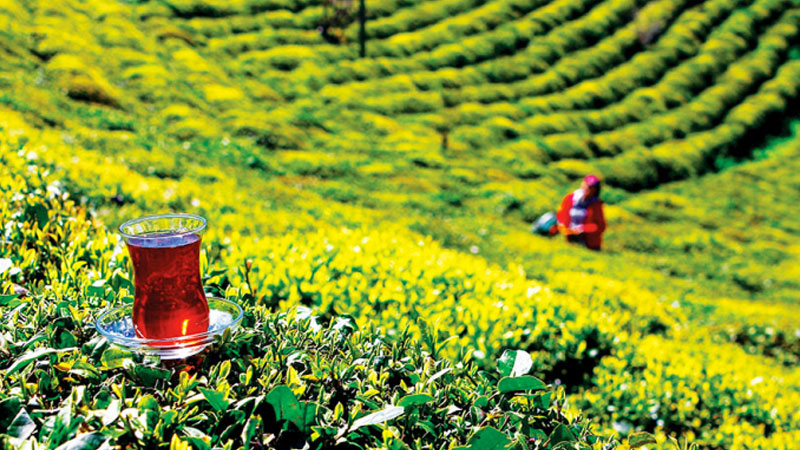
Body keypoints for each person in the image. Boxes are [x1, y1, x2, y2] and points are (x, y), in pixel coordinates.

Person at [556, 175, 606, 250]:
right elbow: (562, 214)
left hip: (588, 243)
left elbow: (600, 226)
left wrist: (582, 229)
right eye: (586, 185)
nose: (587, 188)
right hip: (568, 237)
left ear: (595, 190)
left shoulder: (596, 205)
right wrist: (563, 225)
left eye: (591, 187)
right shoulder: (570, 198)